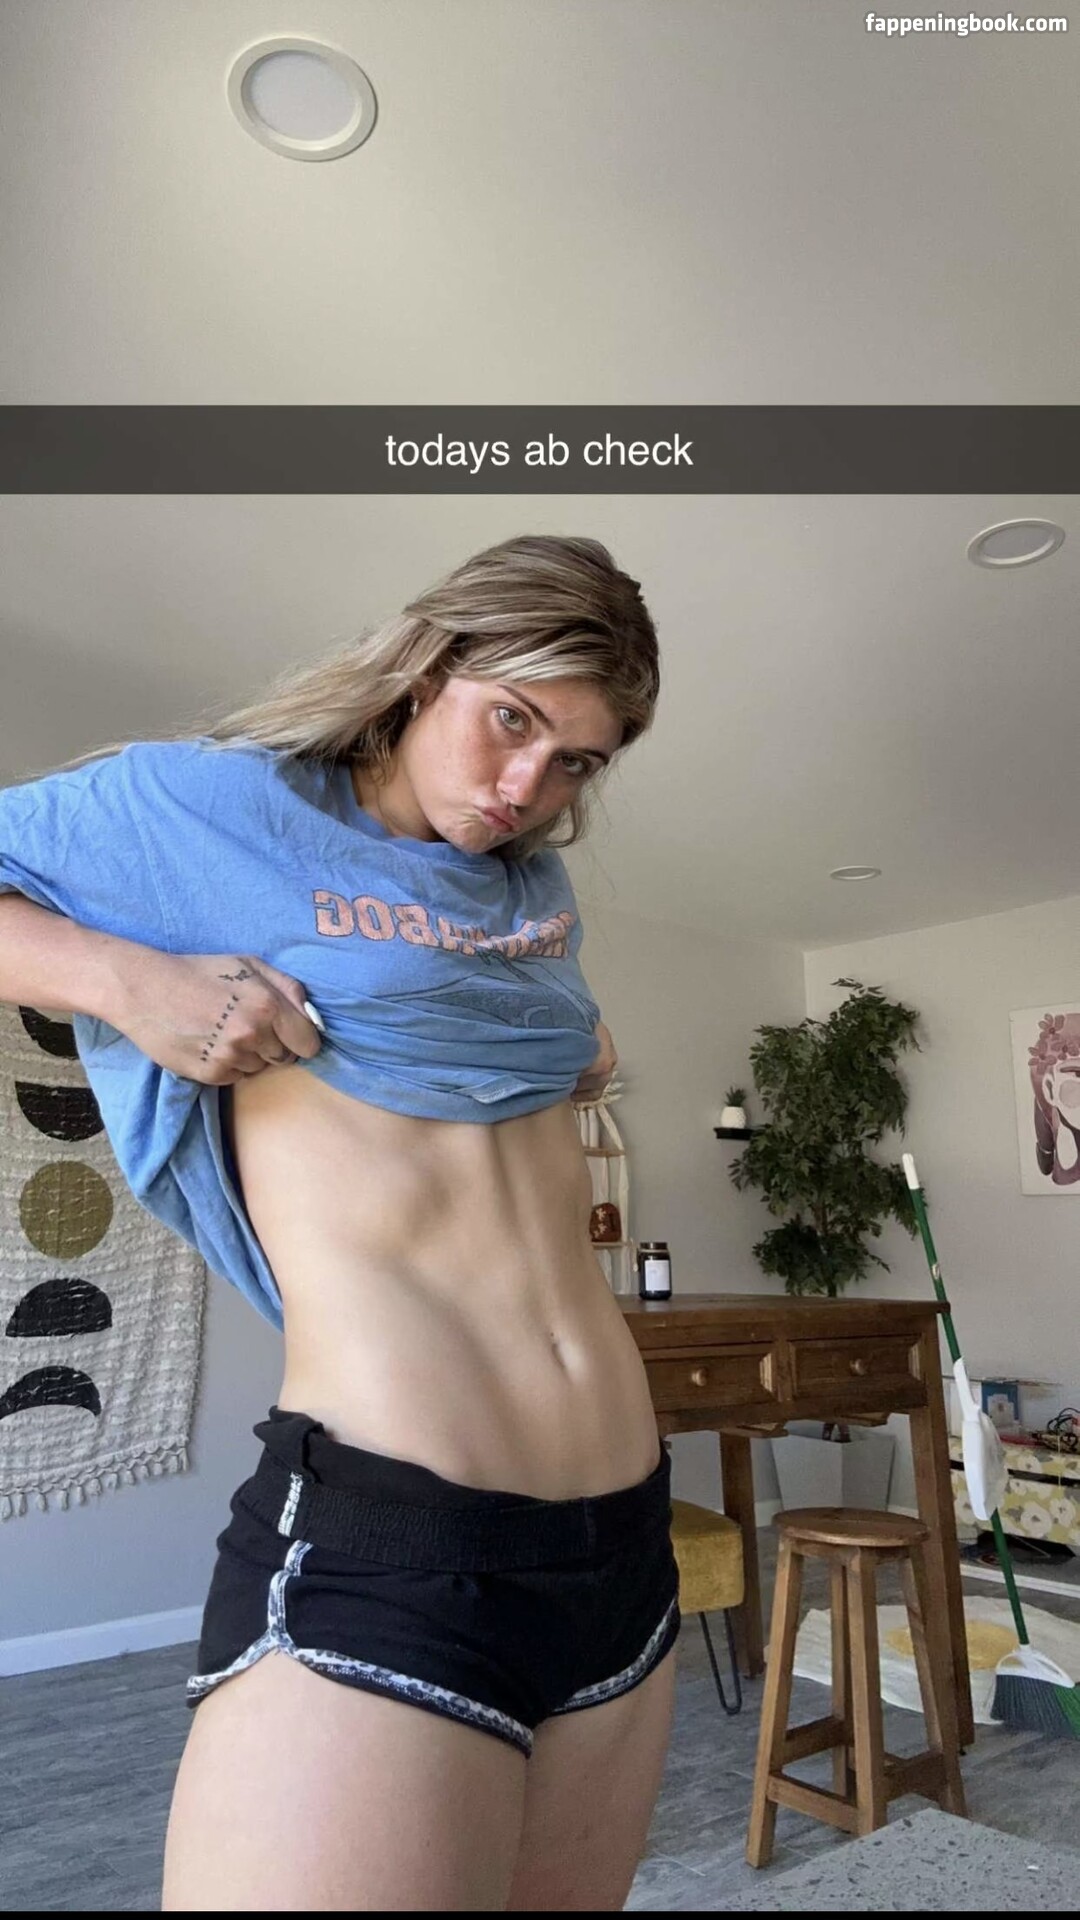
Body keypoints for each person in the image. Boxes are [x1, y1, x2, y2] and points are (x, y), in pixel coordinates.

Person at [0, 533, 677, 1912]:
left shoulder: (530, 889)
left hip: (620, 1544)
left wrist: (575, 1050)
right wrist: (127, 982)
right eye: (512, 721)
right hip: (393, 1547)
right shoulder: (216, 805)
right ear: (427, 669)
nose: (527, 788)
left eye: (577, 762)